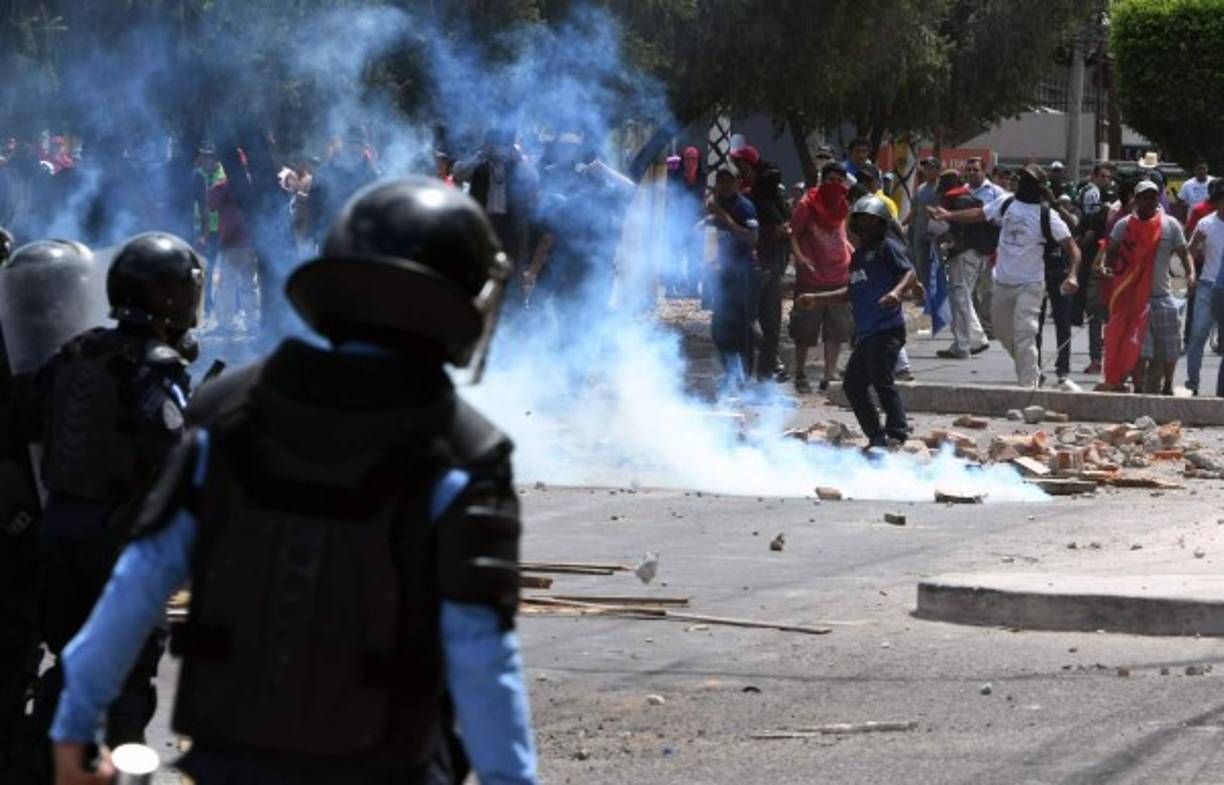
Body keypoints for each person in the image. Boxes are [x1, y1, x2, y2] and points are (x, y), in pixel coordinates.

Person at [49, 178, 539, 785]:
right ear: (463, 304)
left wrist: (73, 726)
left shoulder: (227, 415)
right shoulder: (465, 455)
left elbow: (138, 583)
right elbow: (482, 659)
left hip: (230, 764)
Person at [4, 234, 202, 780]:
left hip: (57, 533)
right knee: (126, 683)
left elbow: (27, 414)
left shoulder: (78, 349)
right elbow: (170, 465)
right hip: (113, 544)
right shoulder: (156, 369)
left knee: (70, 663)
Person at [932, 164, 1081, 388]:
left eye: (1027, 180)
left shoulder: (1046, 215)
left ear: (1038, 187)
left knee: (1025, 333)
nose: (1021, 183)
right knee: (1002, 333)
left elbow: (1073, 248)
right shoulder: (1007, 202)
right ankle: (1030, 368)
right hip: (1002, 282)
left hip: (1030, 284)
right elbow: (980, 214)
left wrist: (1073, 275)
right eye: (1020, 179)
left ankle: (1029, 388)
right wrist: (949, 214)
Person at [796, 196, 915, 449]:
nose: (866, 224)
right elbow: (851, 292)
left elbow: (909, 272)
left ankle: (897, 433)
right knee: (853, 385)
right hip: (867, 333)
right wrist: (817, 299)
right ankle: (876, 435)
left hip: (888, 328)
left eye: (872, 220)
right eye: (862, 219)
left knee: (882, 380)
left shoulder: (888, 247)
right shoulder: (859, 256)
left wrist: (896, 293)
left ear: (882, 223)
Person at [1101, 179, 1193, 394]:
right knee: (1140, 347)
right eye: (1145, 196)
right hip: (1135, 297)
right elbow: (1111, 249)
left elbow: (1184, 253)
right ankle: (1138, 387)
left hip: (1163, 294)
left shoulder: (1170, 224)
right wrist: (1106, 266)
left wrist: (1190, 275)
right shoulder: (1124, 225)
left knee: (1171, 345)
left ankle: (1168, 385)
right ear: (1136, 199)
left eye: (1153, 196)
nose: (1150, 200)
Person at [789, 162, 853, 393]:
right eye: (830, 180)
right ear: (821, 180)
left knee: (836, 330)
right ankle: (800, 373)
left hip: (839, 275)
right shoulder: (806, 205)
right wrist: (800, 258)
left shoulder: (844, 205)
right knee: (804, 330)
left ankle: (828, 377)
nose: (834, 185)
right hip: (812, 278)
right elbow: (793, 234)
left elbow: (845, 234)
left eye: (839, 180)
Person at [707, 167, 760, 394]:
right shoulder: (716, 203)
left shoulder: (745, 207)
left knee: (741, 329)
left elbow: (753, 238)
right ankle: (731, 373)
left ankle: (743, 379)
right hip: (723, 275)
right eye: (721, 181)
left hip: (744, 274)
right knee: (719, 329)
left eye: (730, 181)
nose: (725, 186)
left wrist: (726, 220)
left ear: (738, 183)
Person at [931, 170, 992, 359]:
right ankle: (977, 339)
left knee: (960, 299)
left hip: (964, 255)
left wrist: (939, 224)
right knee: (963, 297)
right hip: (976, 255)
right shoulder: (968, 198)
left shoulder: (956, 201)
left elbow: (949, 231)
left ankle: (962, 345)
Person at [1183, 179, 1224, 395]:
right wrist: (1191, 273)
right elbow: (1189, 250)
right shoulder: (1206, 224)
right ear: (1216, 202)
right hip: (1208, 285)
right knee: (1197, 335)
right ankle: (1192, 383)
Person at [905, 157, 941, 285]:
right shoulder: (920, 189)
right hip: (920, 232)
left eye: (931, 168)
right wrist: (903, 223)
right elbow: (914, 211)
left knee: (938, 264)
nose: (927, 171)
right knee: (920, 262)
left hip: (938, 233)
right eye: (926, 168)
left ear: (938, 170)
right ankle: (925, 291)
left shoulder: (942, 188)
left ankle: (938, 293)